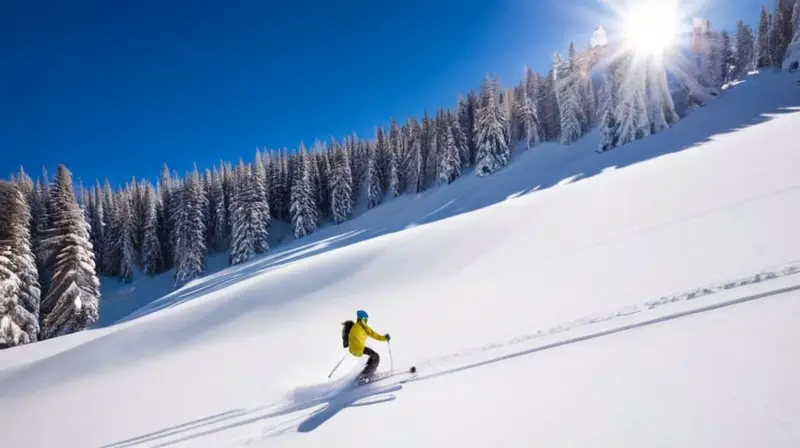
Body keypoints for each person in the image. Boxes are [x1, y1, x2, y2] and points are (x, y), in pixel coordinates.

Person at [347, 310, 390, 380]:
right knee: (376, 357)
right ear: (363, 318)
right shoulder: (364, 326)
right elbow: (374, 334)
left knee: (372, 356)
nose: (366, 321)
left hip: (353, 349)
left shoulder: (355, 326)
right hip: (359, 349)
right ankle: (366, 375)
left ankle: (366, 372)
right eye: (366, 319)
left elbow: (351, 336)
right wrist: (385, 338)